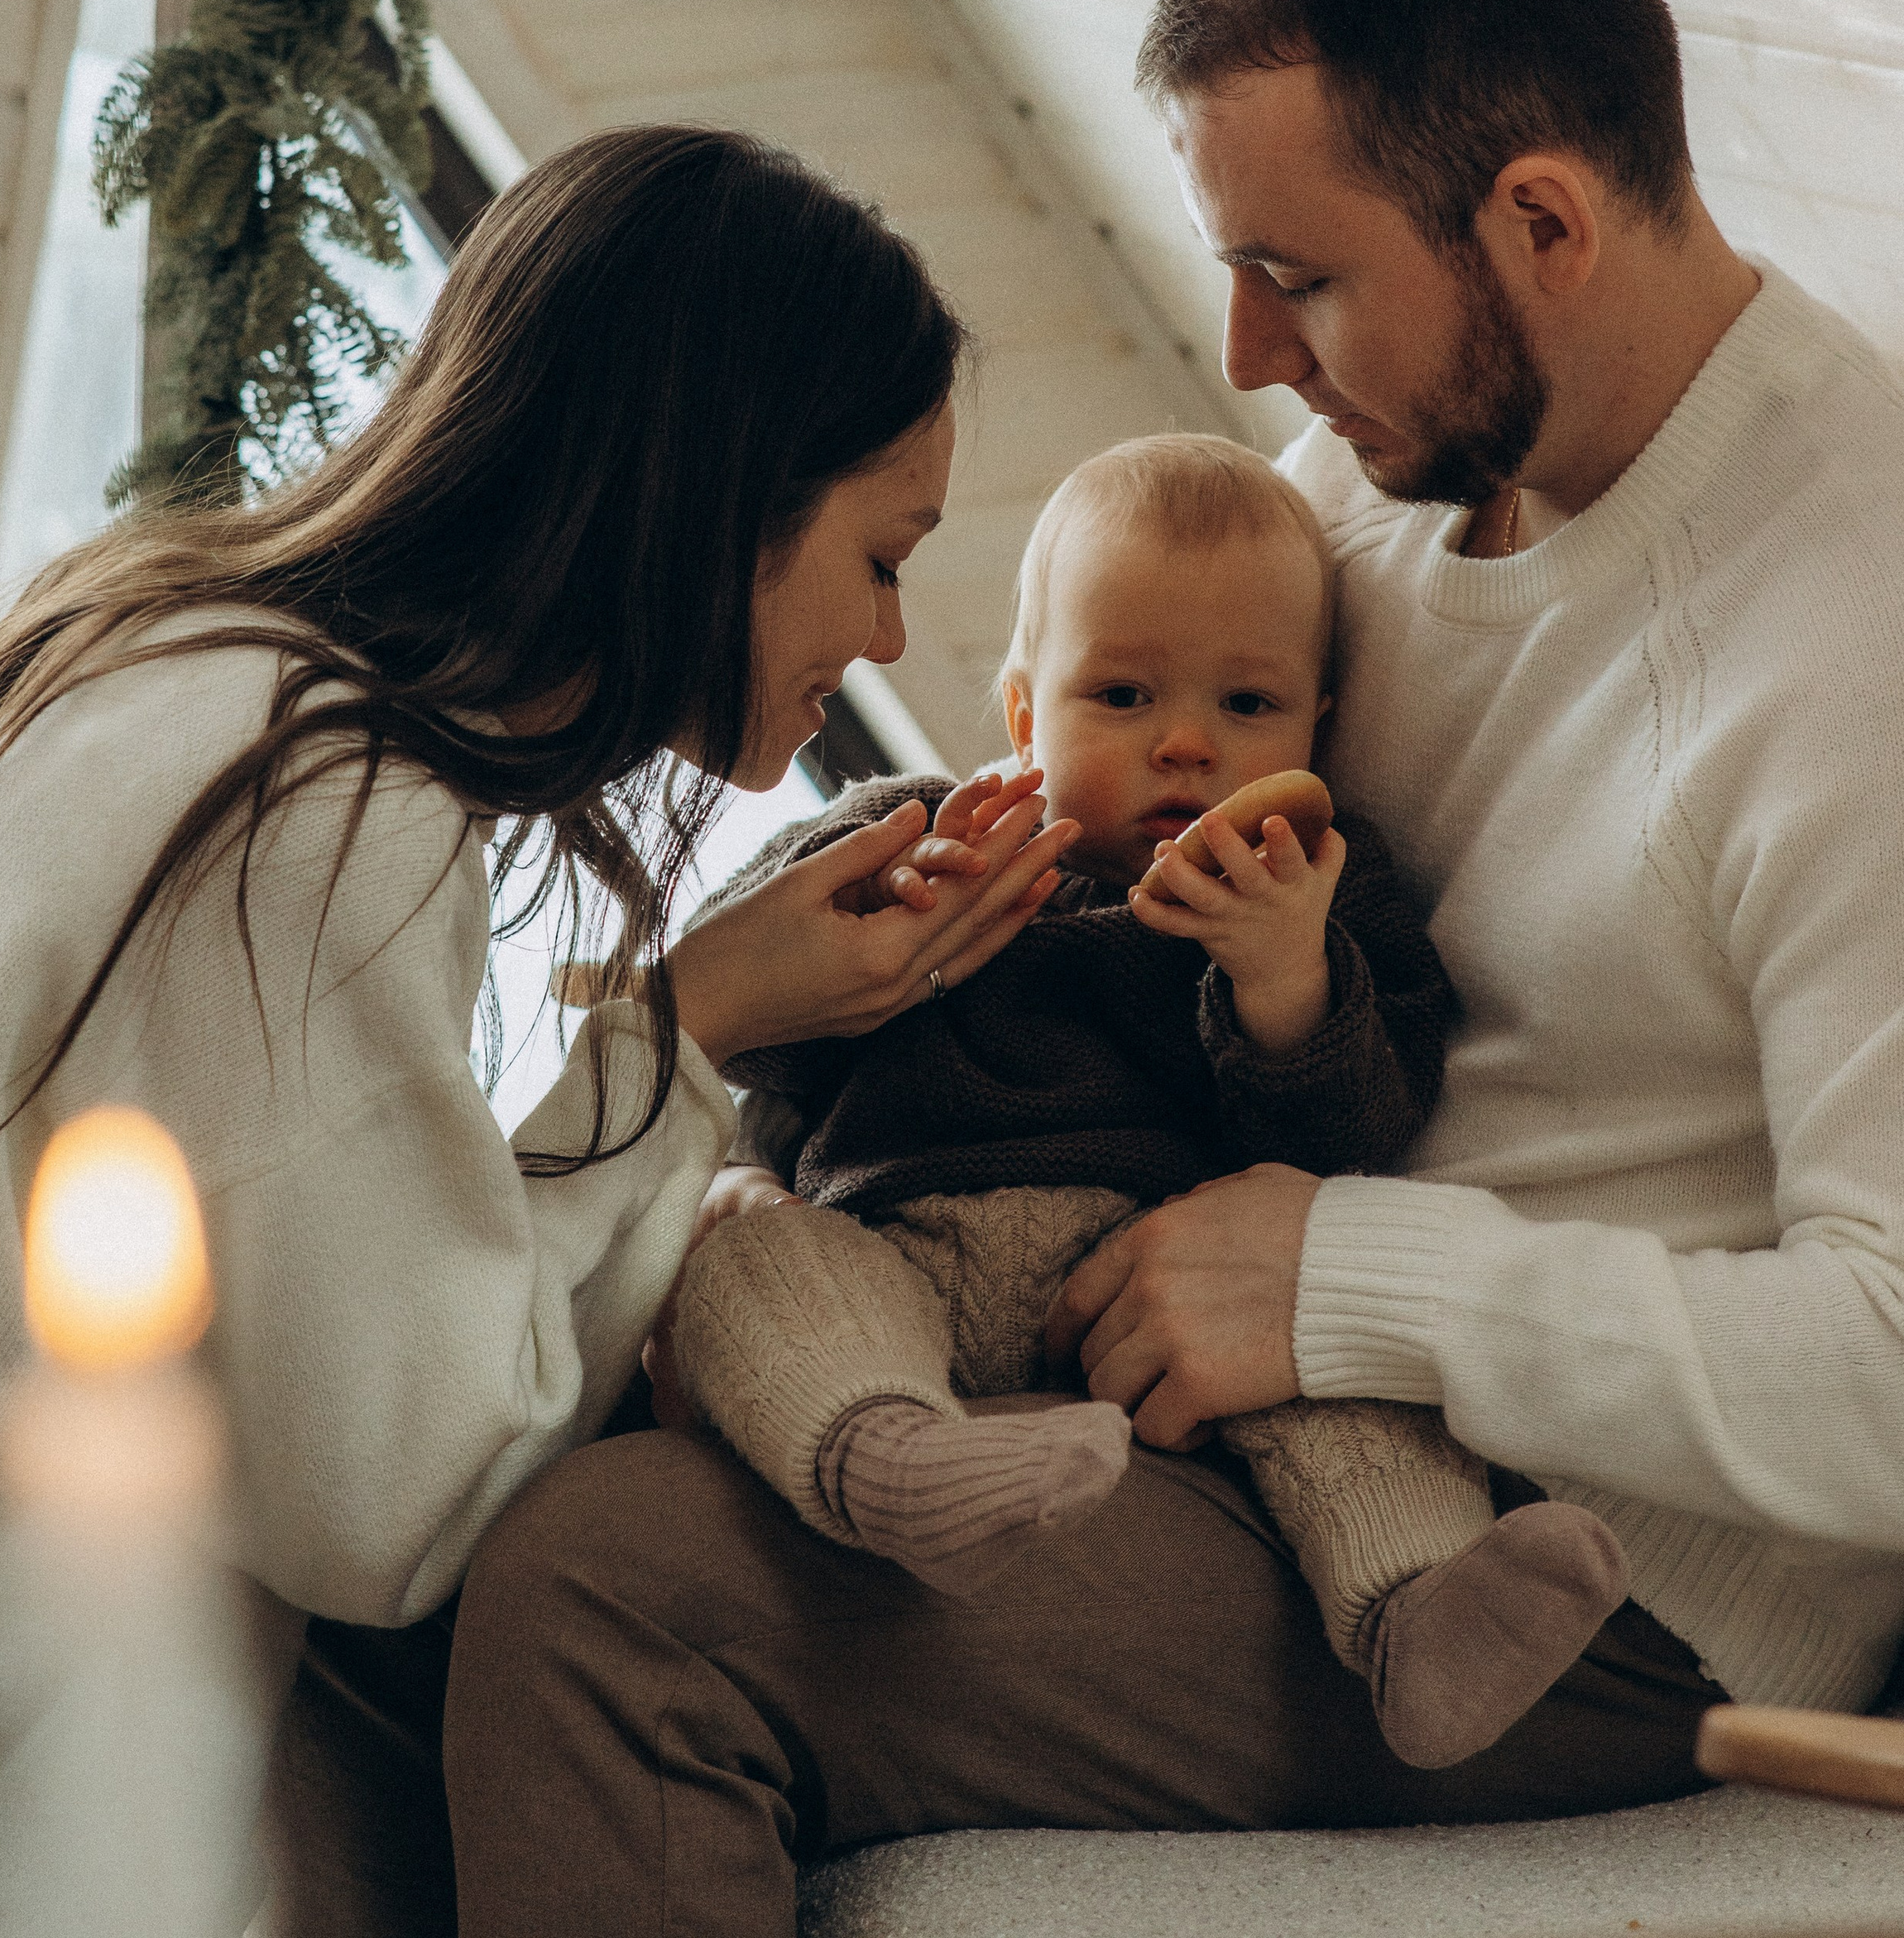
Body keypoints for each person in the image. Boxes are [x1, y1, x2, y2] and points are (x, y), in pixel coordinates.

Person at [439, 0, 1904, 1938]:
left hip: (1573, 1585)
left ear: (1543, 223)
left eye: (1298, 277)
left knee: (609, 1602)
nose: (1251, 349)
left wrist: (1357, 1281)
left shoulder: (1886, 629)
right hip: (1231, 1380)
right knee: (497, 1426)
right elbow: (1143, 750)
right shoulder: (1389, 476)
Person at [0, 124, 1072, 1938]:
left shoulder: (168, 672)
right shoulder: (293, 810)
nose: (882, 639)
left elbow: (311, 1284)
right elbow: (400, 1489)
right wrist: (692, 1038)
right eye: (881, 551)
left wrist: (686, 1015)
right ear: (711, 499)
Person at [668, 430, 1628, 1771]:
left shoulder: (1317, 899)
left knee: (1335, 1367)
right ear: (1022, 717)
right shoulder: (920, 833)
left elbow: (1353, 1144)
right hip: (903, 1260)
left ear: (1319, 731)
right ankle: (895, 1464)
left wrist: (1285, 980)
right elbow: (746, 1036)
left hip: (1165, 1317)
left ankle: (1421, 1611)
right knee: (750, 1255)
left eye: (1248, 708)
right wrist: (885, 909)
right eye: (1121, 696)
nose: (1186, 746)